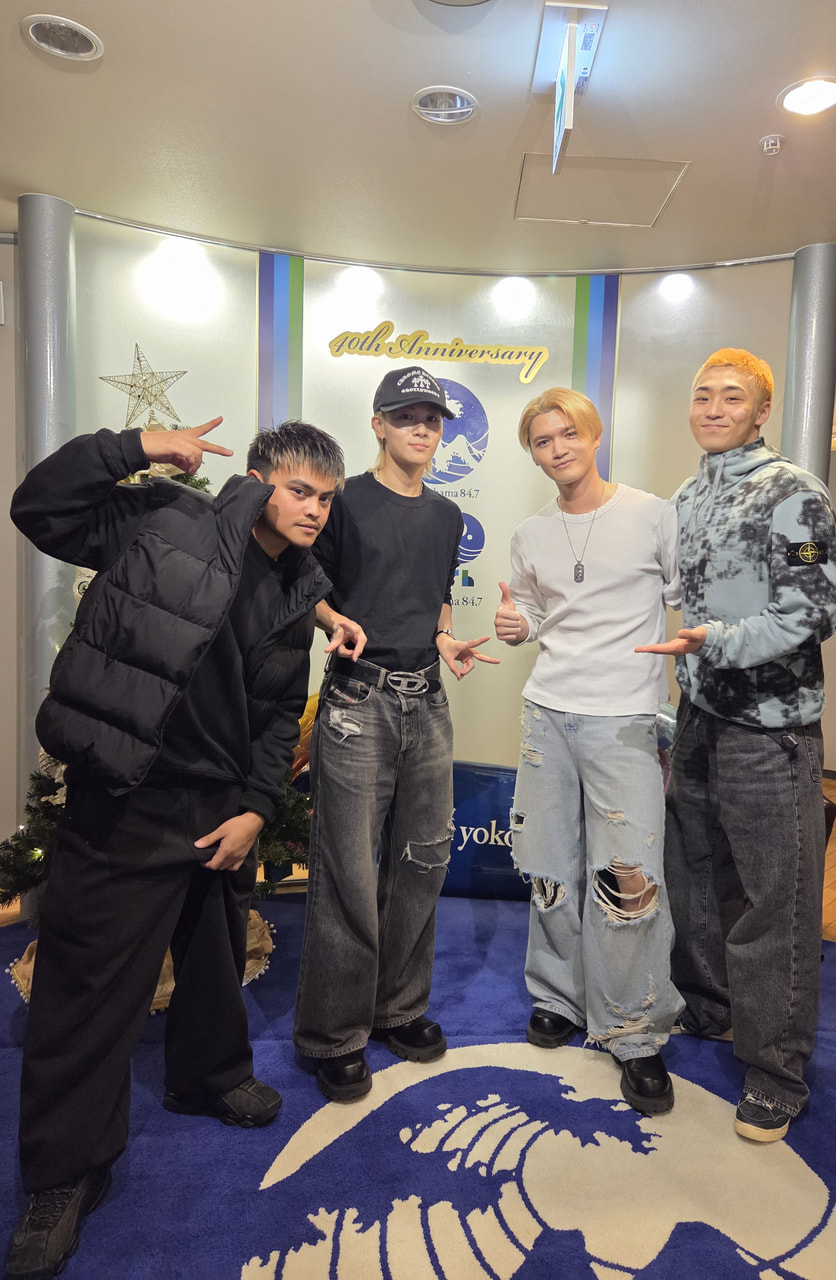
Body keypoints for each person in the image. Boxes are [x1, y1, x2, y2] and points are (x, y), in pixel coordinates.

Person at [7, 417, 344, 1278]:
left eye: (326, 498)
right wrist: (135, 447)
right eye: (300, 490)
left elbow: (279, 715)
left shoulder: (302, 588)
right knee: (85, 988)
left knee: (213, 953)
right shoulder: (164, 518)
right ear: (259, 482)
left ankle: (209, 1076)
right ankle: (63, 1172)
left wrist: (256, 809)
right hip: (126, 794)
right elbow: (39, 509)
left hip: (219, 807)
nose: (314, 509)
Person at [637, 348, 836, 1143]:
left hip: (772, 730)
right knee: (694, 878)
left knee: (774, 903)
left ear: (762, 412)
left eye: (733, 397)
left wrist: (715, 642)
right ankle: (709, 1007)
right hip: (699, 718)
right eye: (704, 396)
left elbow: (814, 610)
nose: (715, 408)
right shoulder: (687, 497)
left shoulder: (793, 491)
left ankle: (776, 1071)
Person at [293, 365, 498, 1102]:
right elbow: (307, 588)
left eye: (432, 419)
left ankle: (399, 1008)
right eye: (406, 416)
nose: (422, 428)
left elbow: (436, 598)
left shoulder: (447, 516)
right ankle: (334, 1034)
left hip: (428, 700)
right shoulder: (343, 502)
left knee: (422, 861)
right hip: (359, 700)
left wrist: (443, 638)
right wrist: (334, 621)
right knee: (348, 869)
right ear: (378, 425)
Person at [493, 387, 683, 1115]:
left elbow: (686, 596)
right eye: (542, 441)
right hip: (547, 713)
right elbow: (532, 612)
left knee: (628, 878)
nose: (557, 449)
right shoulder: (531, 532)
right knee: (548, 866)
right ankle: (558, 997)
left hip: (625, 720)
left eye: (567, 434)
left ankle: (633, 1029)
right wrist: (518, 625)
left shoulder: (651, 513)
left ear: (594, 435)